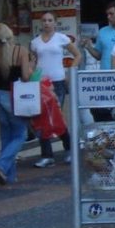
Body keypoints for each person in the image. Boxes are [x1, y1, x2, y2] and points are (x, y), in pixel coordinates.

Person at [0, 24, 33, 184]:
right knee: (21, 134)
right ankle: (1, 164)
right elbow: (25, 77)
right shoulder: (21, 51)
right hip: (15, 97)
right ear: (10, 35)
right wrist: (32, 67)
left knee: (6, 135)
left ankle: (9, 177)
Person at [30, 12, 81, 167]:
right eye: (44, 20)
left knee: (55, 116)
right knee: (41, 118)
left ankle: (70, 149)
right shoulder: (35, 42)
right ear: (41, 23)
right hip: (41, 83)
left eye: (50, 20)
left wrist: (70, 71)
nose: (47, 23)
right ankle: (47, 155)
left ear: (55, 23)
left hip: (57, 81)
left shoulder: (62, 38)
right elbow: (33, 61)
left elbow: (77, 55)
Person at [82, 1, 115, 121]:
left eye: (111, 14)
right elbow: (99, 55)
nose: (109, 17)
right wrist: (89, 47)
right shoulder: (103, 32)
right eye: (107, 14)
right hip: (107, 79)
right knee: (101, 111)